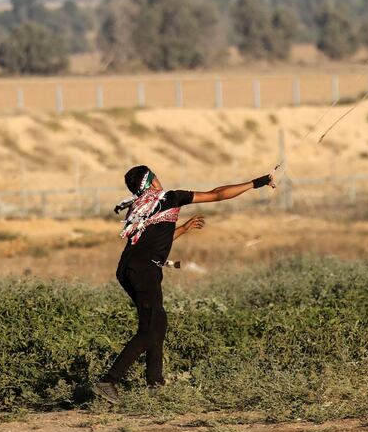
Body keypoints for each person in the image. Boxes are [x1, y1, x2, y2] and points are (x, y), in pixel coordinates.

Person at [92, 165, 275, 403]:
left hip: (128, 269)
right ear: (151, 182)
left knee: (157, 322)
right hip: (144, 270)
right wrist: (257, 182)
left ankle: (155, 385)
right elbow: (217, 194)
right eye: (156, 176)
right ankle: (109, 381)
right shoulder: (169, 197)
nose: (160, 179)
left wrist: (183, 230)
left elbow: (151, 240)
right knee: (149, 329)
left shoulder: (139, 206)